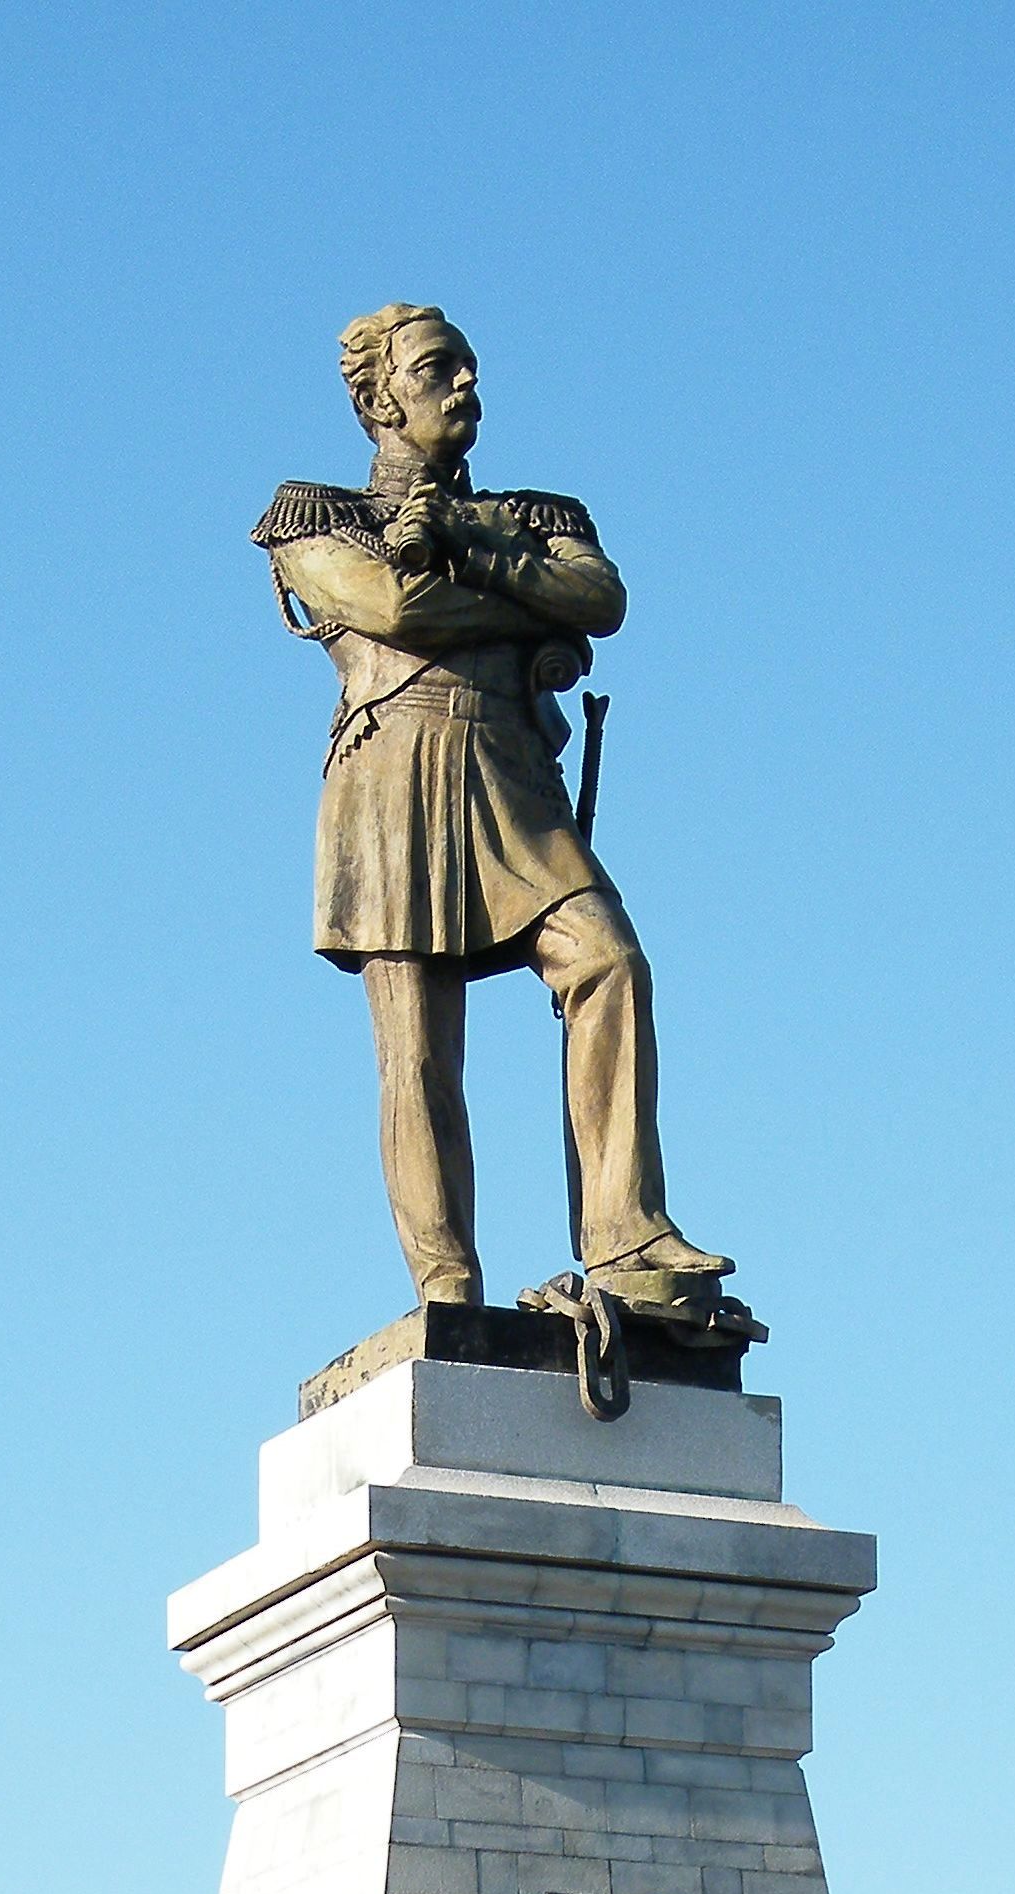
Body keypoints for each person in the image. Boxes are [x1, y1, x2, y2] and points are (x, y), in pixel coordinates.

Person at [255, 304, 740, 1328]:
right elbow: (392, 610)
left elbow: (599, 597)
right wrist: (527, 600)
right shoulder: (310, 514)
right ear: (380, 397)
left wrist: (469, 542)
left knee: (608, 960)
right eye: (438, 370)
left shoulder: (532, 511)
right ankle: (447, 1291)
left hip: (509, 774)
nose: (466, 387)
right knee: (419, 1049)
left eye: (470, 370)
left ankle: (626, 1233)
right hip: (390, 781)